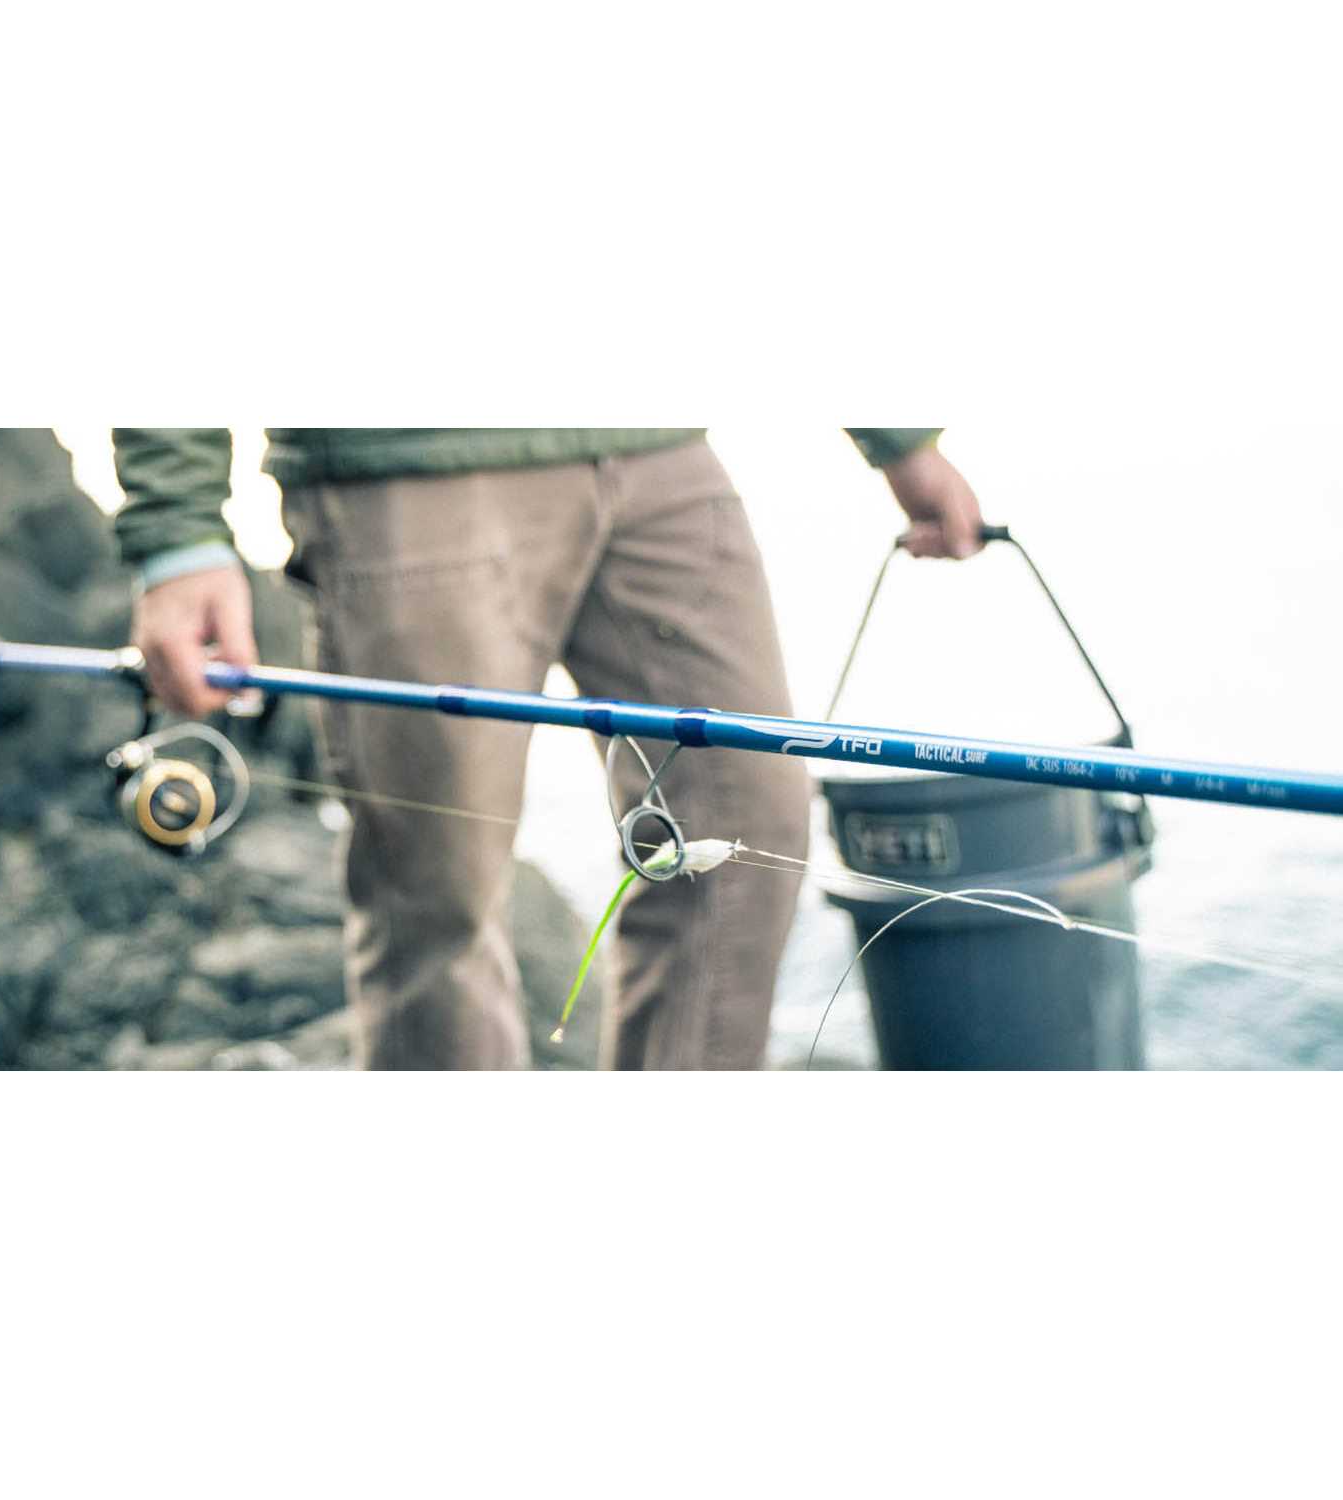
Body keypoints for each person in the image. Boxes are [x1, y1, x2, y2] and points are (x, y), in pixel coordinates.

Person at [110, 428, 985, 1070]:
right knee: (437, 893)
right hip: (405, 468)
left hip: (661, 456)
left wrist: (900, 440)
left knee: (749, 832)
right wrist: (177, 532)